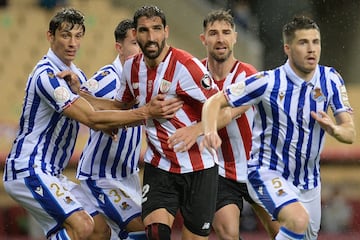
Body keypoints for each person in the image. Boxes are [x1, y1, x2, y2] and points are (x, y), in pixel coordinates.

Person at [2, 8, 182, 240]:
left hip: (53, 171)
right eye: (66, 35)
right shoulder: (46, 76)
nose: (72, 42)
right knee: (85, 227)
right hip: (29, 167)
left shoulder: (75, 75)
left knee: (99, 230)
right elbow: (91, 118)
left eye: (78, 36)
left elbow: (96, 111)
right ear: (50, 36)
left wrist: (107, 118)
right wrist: (145, 112)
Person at [200, 15, 356, 240]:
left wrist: (334, 129)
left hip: (310, 182)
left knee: (300, 232)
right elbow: (215, 101)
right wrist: (209, 131)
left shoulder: (331, 79)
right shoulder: (268, 82)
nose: (312, 49)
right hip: (266, 172)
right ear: (288, 48)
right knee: (297, 221)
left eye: (316, 42)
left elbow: (349, 132)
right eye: (303, 43)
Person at [167, 9, 279, 240]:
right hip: (219, 171)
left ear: (235, 37)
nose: (220, 39)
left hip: (257, 168)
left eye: (226, 32)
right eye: (214, 33)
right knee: (228, 233)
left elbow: (229, 113)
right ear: (203, 38)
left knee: (282, 232)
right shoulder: (192, 73)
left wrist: (197, 130)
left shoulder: (248, 75)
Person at [115, 5, 221, 240]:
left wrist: (197, 129)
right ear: (134, 34)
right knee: (155, 233)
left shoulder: (187, 66)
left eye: (156, 29)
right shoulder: (131, 68)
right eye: (144, 30)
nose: (151, 37)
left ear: (166, 32)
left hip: (199, 168)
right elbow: (120, 107)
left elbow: (223, 106)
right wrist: (79, 96)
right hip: (159, 165)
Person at [77, 19, 146, 240]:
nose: (142, 48)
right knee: (142, 230)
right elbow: (77, 101)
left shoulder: (146, 78)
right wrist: (101, 122)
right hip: (101, 176)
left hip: (129, 176)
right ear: (119, 47)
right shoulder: (107, 78)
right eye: (135, 43)